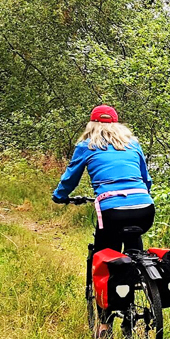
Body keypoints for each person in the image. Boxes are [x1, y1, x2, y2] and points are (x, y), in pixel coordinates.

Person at [52, 105, 155, 254]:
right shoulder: (133, 144)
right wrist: (139, 197)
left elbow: (71, 178)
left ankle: (111, 276)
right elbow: (146, 179)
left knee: (106, 253)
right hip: (145, 209)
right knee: (134, 238)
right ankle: (140, 274)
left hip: (112, 211)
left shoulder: (86, 146)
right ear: (117, 125)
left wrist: (59, 196)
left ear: (91, 125)